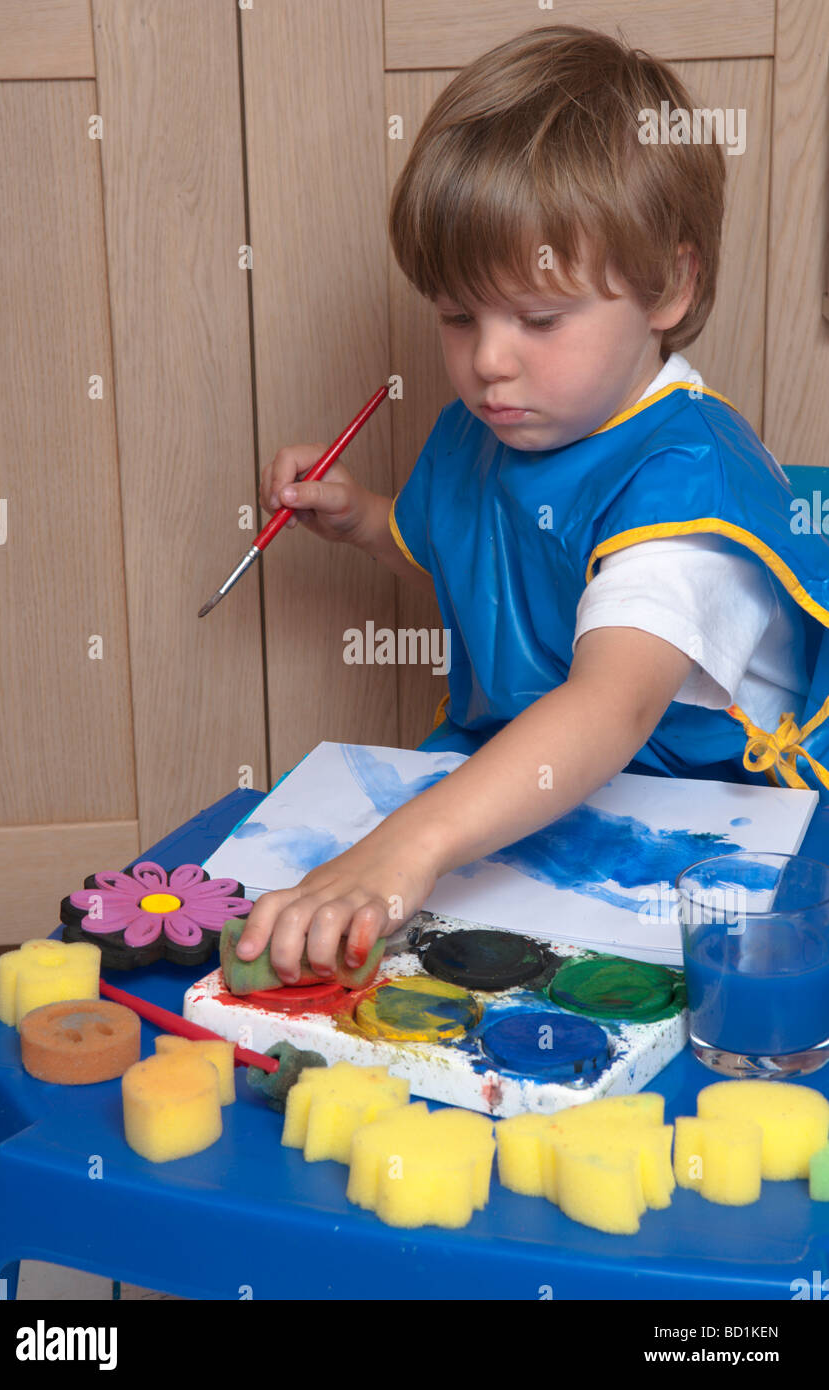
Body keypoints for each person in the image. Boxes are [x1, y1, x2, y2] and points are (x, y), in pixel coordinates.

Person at [236, 24, 829, 982]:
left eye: (539, 319)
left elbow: (610, 702)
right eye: (458, 315)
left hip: (708, 850)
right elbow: (469, 544)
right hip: (541, 813)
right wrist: (361, 519)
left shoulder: (684, 487)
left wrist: (406, 845)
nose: (488, 360)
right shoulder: (507, 424)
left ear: (668, 286)